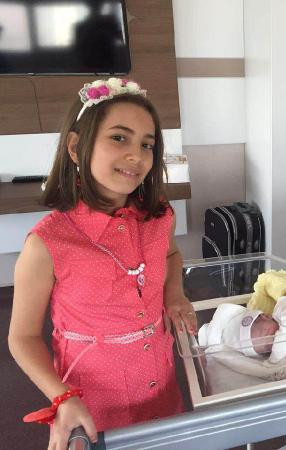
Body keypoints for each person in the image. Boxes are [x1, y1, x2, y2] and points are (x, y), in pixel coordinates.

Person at [7, 78, 198, 450]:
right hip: (91, 406)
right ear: (75, 147)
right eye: (119, 138)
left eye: (146, 144)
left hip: (161, 385)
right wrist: (62, 397)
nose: (136, 156)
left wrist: (174, 294)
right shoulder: (47, 243)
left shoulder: (159, 216)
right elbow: (22, 337)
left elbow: (171, 255)